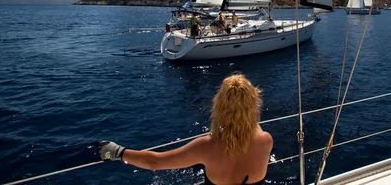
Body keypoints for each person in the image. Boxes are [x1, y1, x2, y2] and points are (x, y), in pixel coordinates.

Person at [99, 73, 273, 184]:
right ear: (254, 106)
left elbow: (155, 162)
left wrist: (117, 152)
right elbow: (250, 126)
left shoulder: (207, 146)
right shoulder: (266, 141)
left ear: (219, 106)